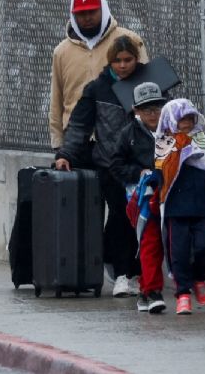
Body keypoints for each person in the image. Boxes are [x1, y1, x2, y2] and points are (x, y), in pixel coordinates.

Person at [54, 35, 144, 297]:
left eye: (128, 60)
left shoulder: (148, 85)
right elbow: (79, 125)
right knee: (120, 216)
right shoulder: (98, 88)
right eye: (117, 60)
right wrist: (66, 153)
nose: (123, 66)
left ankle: (136, 272)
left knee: (142, 221)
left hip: (142, 164)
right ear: (110, 61)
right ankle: (121, 273)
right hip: (110, 165)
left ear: (136, 60)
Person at [49, 0, 148, 153]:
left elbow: (146, 89)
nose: (87, 17)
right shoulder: (62, 52)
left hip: (120, 139)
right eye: (81, 13)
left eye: (92, 11)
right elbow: (56, 99)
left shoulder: (129, 40)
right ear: (73, 15)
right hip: (77, 142)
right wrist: (58, 142)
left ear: (103, 9)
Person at [153, 98, 205, 315]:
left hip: (201, 207)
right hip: (175, 209)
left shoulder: (203, 141)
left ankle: (199, 279)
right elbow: (160, 170)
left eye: (189, 118)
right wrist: (154, 183)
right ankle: (183, 293)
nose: (186, 123)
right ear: (171, 119)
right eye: (181, 119)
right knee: (179, 253)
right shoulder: (164, 143)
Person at [108, 81, 168, 313]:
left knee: (173, 242)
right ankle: (152, 290)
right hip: (143, 198)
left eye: (156, 108)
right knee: (150, 242)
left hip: (171, 195)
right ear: (136, 110)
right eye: (146, 109)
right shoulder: (128, 134)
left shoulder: (174, 129)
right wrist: (138, 173)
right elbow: (115, 165)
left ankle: (153, 289)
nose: (153, 114)